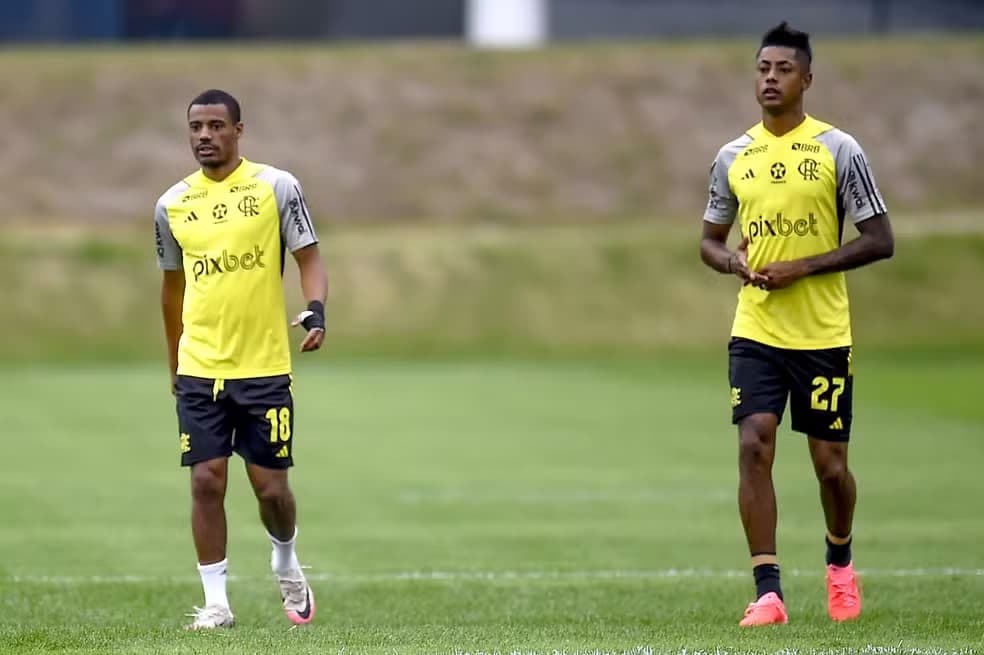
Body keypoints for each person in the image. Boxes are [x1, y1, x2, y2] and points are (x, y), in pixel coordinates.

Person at [700, 23, 894, 627]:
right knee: (754, 441)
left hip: (823, 335)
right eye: (762, 68)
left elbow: (880, 240)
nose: (770, 78)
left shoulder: (839, 150)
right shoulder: (734, 157)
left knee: (830, 465)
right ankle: (768, 592)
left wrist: (805, 266)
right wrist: (732, 260)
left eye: (783, 69)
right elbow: (707, 241)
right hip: (756, 330)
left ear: (806, 79)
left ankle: (840, 563)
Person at [154, 89, 328, 630]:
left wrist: (317, 308)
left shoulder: (277, 186)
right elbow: (172, 292)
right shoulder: (171, 206)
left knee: (270, 488)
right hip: (201, 366)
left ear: (238, 130)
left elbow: (310, 258)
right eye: (195, 127)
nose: (204, 135)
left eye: (215, 126)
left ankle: (285, 560)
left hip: (265, 368)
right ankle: (216, 605)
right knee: (206, 480)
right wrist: (174, 364)